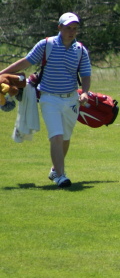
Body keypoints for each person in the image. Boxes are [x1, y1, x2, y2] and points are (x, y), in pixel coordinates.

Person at [0, 13, 92, 188]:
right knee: (56, 136)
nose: (71, 32)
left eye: (74, 28)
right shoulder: (46, 45)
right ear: (59, 28)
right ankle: (61, 176)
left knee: (65, 137)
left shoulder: (80, 50)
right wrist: (2, 74)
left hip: (71, 99)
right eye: (68, 28)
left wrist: (85, 92)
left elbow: (86, 74)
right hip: (49, 98)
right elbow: (26, 62)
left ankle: (55, 170)